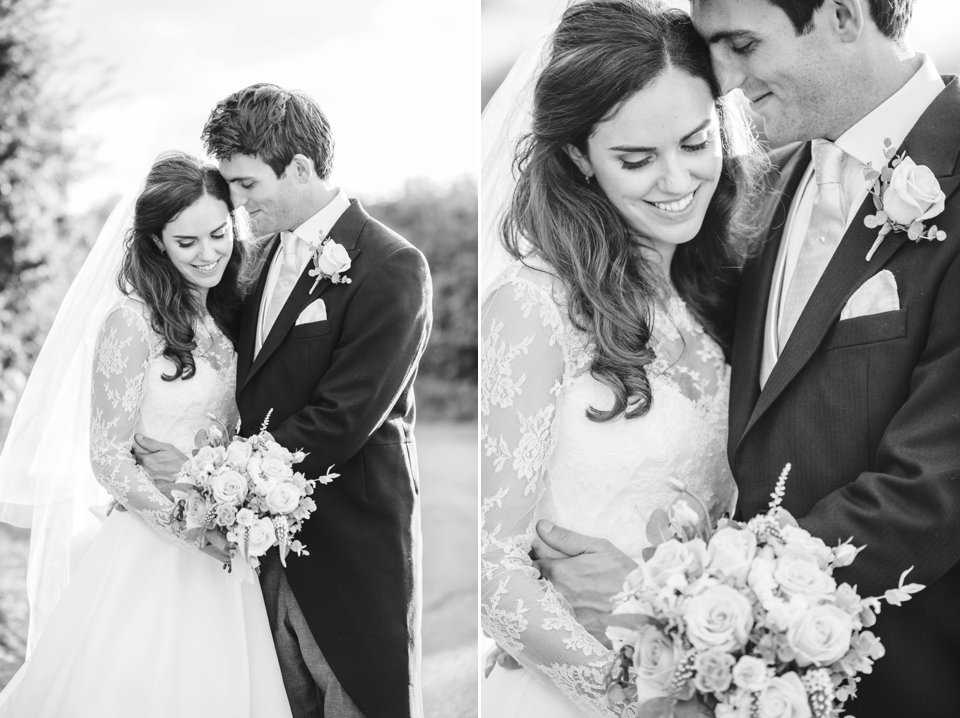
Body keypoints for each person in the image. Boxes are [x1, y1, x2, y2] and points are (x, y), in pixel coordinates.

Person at [530, 0, 960, 715]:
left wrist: (677, 595)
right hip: (741, 683)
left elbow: (933, 488)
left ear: (845, 15)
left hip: (902, 674)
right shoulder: (768, 177)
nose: (723, 80)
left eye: (740, 43)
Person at [479, 1, 763, 715]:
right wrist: (636, 697)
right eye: (636, 160)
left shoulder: (721, 284)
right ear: (579, 157)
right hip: (580, 687)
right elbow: (489, 565)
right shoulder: (535, 307)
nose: (675, 181)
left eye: (695, 143)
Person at [135, 84, 433, 718]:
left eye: (245, 185)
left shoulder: (391, 265)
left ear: (298, 167)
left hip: (351, 542)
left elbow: (341, 419)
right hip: (261, 550)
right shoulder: (260, 257)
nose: (236, 205)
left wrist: (205, 477)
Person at [0, 152, 293, 717]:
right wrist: (190, 526)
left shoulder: (232, 315)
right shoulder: (130, 323)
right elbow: (108, 457)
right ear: (157, 243)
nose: (208, 254)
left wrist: (233, 497)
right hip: (152, 545)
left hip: (225, 546)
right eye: (187, 243)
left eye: (218, 233)